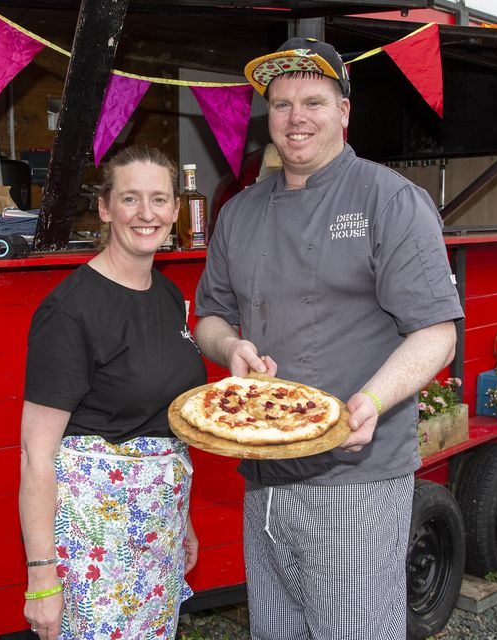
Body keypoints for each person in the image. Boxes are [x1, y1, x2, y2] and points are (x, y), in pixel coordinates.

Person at [194, 38, 465, 639]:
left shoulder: (389, 199)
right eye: (283, 103)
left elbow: (436, 334)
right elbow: (208, 316)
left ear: (344, 111)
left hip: (357, 472)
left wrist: (369, 403)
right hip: (266, 468)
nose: (297, 118)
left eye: (313, 101)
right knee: (276, 627)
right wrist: (228, 348)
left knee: (356, 630)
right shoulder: (238, 212)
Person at [19, 146, 207, 640]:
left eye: (159, 200)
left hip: (157, 527)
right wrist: (41, 578)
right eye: (130, 199)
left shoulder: (168, 296)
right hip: (95, 535)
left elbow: (158, 422)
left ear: (175, 209)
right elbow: (36, 456)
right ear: (104, 208)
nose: (147, 214)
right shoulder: (69, 312)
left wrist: (180, 518)